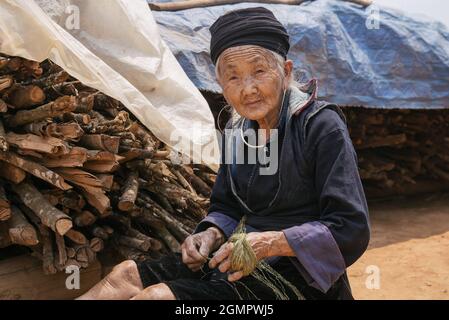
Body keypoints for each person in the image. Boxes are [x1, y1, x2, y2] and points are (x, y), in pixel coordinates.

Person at [78, 6, 370, 300]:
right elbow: (227, 206)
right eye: (233, 78)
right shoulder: (238, 130)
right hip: (235, 258)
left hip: (301, 275)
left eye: (259, 71)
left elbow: (350, 227)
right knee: (123, 277)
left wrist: (273, 243)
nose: (248, 89)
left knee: (158, 298)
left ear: (286, 71)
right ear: (221, 85)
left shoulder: (320, 125)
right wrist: (210, 235)